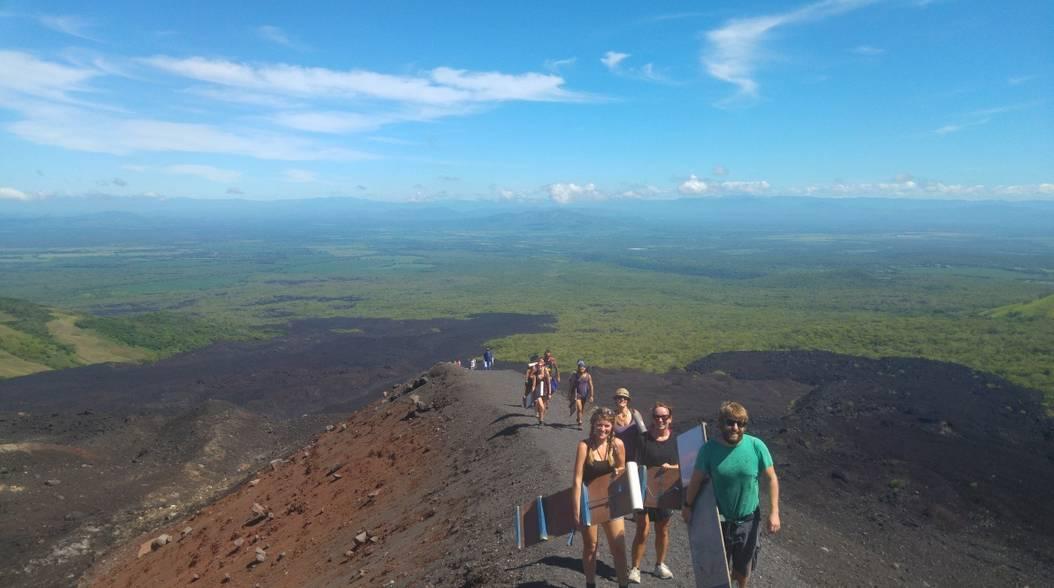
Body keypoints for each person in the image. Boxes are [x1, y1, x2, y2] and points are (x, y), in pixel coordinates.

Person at [682, 401, 780, 588]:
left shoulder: (756, 446)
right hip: (718, 522)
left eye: (741, 423)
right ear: (721, 423)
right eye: (730, 422)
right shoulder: (708, 450)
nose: (735, 428)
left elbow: (772, 478)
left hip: (748, 521)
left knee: (743, 570)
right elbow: (695, 481)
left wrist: (774, 511)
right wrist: (688, 506)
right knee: (719, 569)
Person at [573, 407, 630, 588]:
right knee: (591, 546)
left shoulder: (618, 445)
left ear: (612, 426)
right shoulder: (584, 446)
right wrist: (576, 511)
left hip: (611, 503)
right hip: (589, 503)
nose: (603, 429)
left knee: (619, 548)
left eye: (607, 426)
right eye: (599, 425)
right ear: (593, 425)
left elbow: (623, 473)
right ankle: (590, 584)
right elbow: (577, 480)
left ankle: (624, 584)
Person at [629, 402, 679, 583]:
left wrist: (671, 467)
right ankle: (635, 568)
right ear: (652, 418)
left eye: (664, 416)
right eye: (657, 416)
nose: (660, 419)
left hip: (666, 492)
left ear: (670, 418)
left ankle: (659, 565)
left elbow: (684, 465)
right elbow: (634, 461)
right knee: (642, 529)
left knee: (663, 529)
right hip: (644, 489)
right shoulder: (643, 438)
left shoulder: (676, 439)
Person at [613, 388, 647, 463]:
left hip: (635, 456)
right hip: (618, 456)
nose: (622, 399)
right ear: (615, 400)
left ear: (628, 400)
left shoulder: (635, 413)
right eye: (619, 397)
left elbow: (644, 434)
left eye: (625, 398)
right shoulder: (612, 416)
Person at [569, 359, 594, 429]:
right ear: (578, 367)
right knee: (579, 408)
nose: (581, 368)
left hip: (584, 395)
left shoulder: (588, 376)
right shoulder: (575, 375)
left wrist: (591, 396)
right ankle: (580, 422)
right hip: (577, 394)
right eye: (580, 367)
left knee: (582, 409)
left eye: (583, 367)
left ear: (585, 368)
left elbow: (591, 386)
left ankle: (578, 417)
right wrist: (570, 393)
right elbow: (571, 384)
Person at [524, 356, 550, 425]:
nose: (540, 364)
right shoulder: (535, 371)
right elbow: (532, 380)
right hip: (537, 390)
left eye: (541, 362)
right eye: (539, 362)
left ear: (543, 363)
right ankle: (538, 413)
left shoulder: (545, 371)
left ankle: (541, 419)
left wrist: (549, 393)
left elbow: (548, 383)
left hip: (544, 390)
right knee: (541, 406)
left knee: (543, 407)